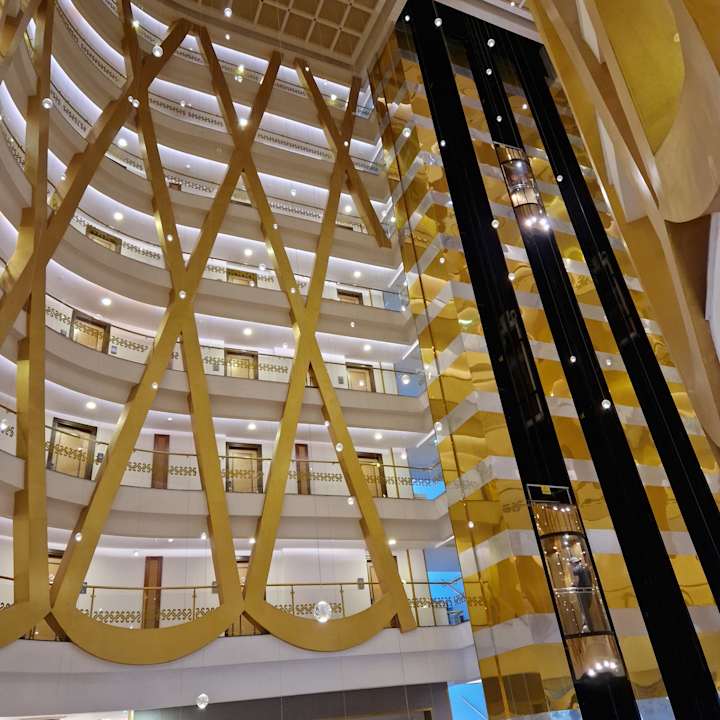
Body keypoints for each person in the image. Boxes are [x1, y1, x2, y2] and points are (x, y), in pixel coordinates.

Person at [569, 555, 594, 632]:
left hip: (582, 592)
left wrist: (573, 585)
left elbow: (577, 581)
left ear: (573, 563)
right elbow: (590, 580)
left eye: (571, 564)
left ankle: (588, 628)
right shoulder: (585, 568)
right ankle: (589, 627)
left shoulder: (576, 569)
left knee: (584, 610)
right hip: (589, 591)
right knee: (587, 610)